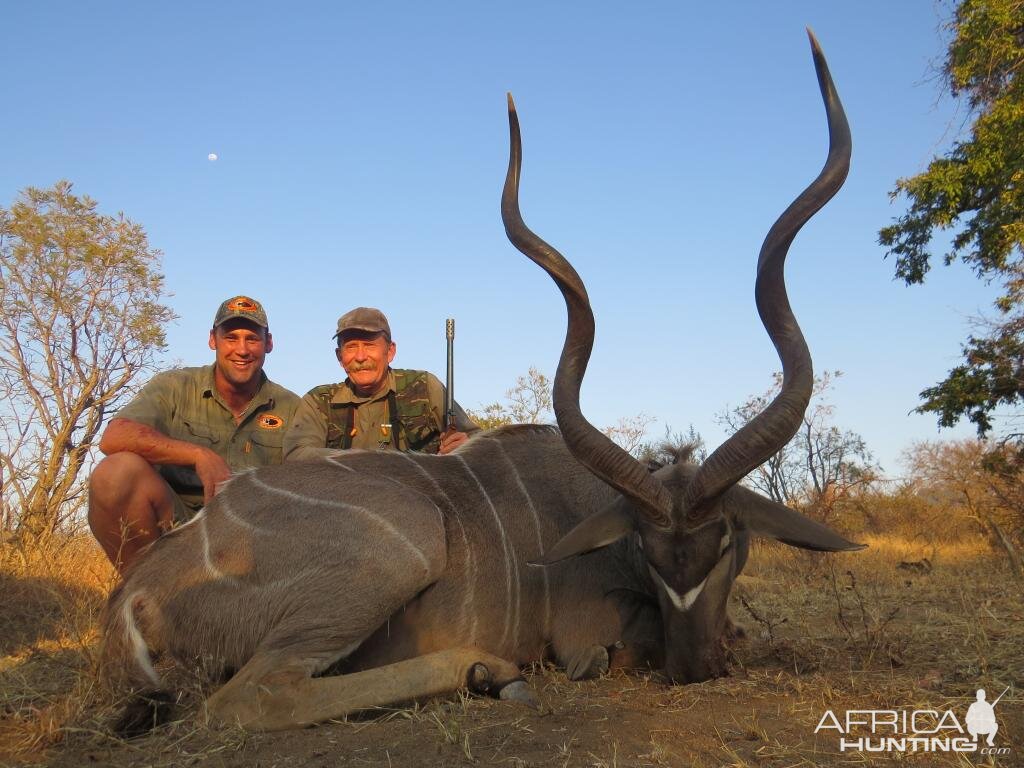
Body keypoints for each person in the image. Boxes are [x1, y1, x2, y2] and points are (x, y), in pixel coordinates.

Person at [88, 295, 300, 572]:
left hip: (255, 542)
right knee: (115, 473)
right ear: (213, 340)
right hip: (179, 529)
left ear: (268, 343)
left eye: (252, 338)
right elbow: (115, 436)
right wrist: (197, 454)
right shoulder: (175, 386)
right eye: (231, 337)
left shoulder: (293, 407)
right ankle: (145, 597)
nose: (242, 349)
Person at [284, 307, 477, 462]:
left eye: (369, 345)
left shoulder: (424, 387)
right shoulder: (319, 401)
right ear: (340, 357)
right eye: (351, 347)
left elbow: (480, 440)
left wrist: (466, 445)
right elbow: (297, 455)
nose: (360, 357)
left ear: (390, 351)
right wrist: (366, 461)